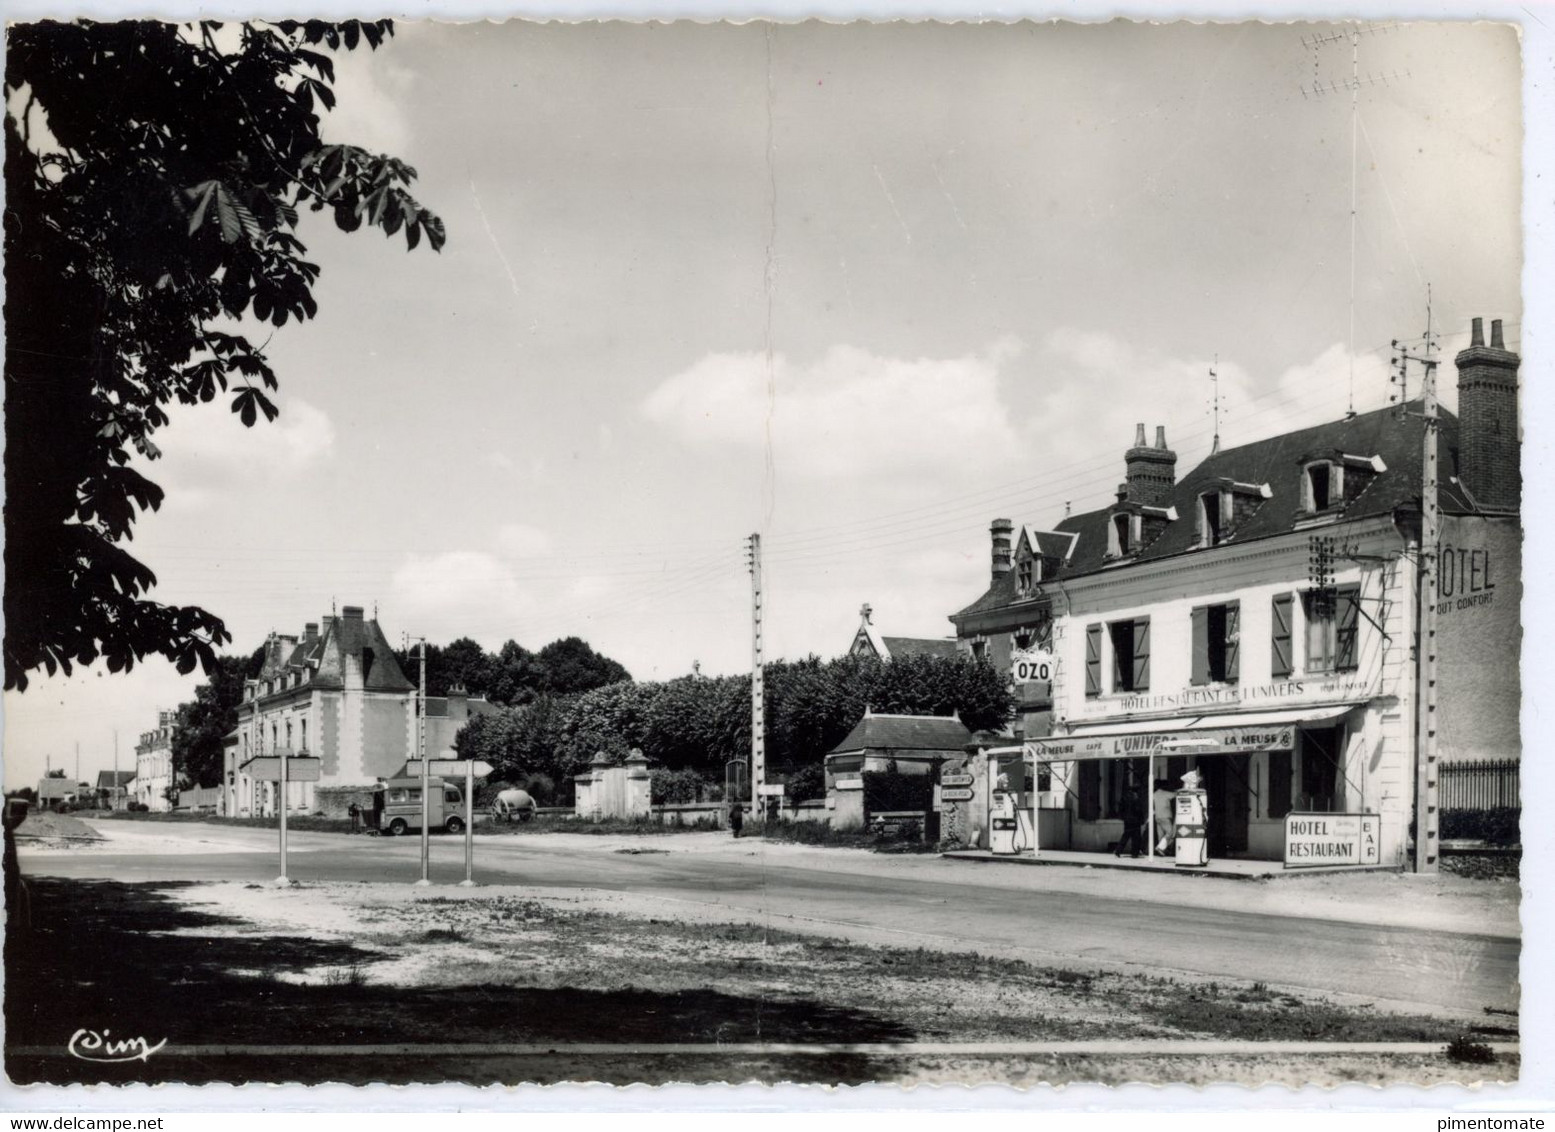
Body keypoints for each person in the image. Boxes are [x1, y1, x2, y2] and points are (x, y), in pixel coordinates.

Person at [1114, 777, 1147, 858]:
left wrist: (1123, 816)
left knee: (1126, 835)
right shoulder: (1136, 798)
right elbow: (1138, 810)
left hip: (1127, 820)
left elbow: (1121, 808)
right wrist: (1142, 819)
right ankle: (1134, 853)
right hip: (1135, 820)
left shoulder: (1125, 797)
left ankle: (1118, 850)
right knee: (1136, 837)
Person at [1152, 778, 1176, 855]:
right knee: (1170, 833)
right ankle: (1160, 848)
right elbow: (1175, 795)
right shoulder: (1166, 793)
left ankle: (1161, 851)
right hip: (1165, 816)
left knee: (1161, 834)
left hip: (1157, 817)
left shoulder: (1154, 794)